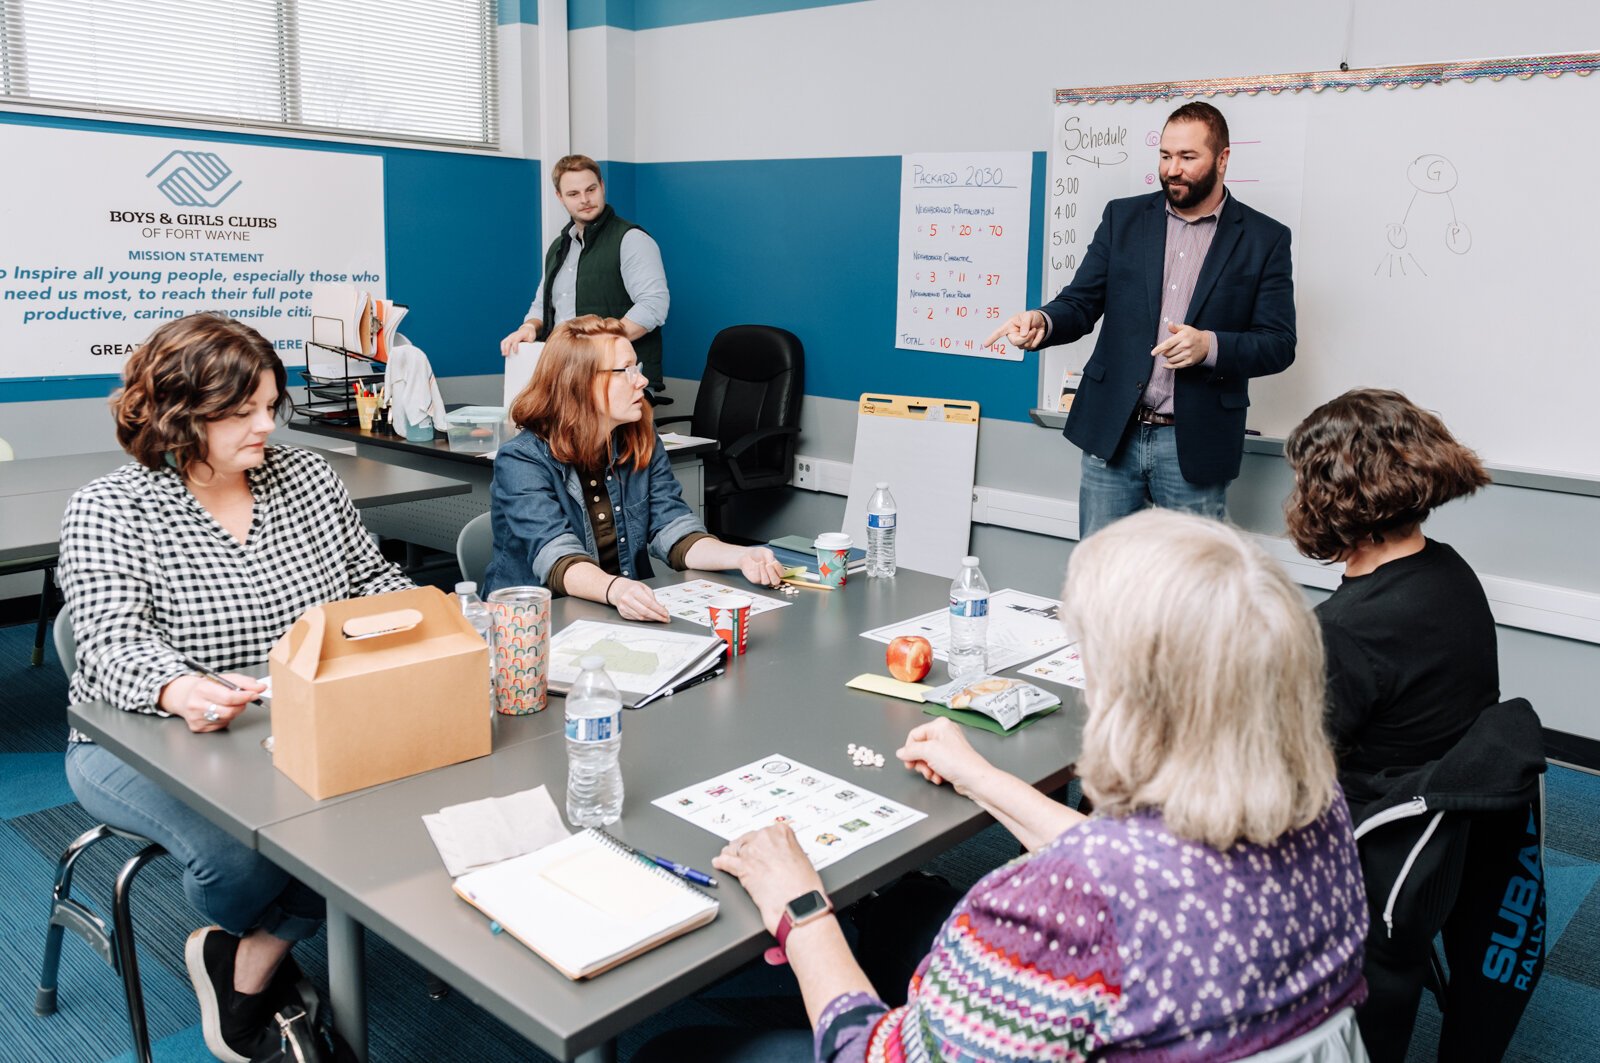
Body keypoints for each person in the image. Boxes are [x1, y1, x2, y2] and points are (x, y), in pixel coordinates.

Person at [643, 510, 1369, 1062]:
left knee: (669, 1049)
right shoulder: (1315, 804)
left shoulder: (1062, 907)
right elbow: (1139, 865)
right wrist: (983, 779)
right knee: (915, 907)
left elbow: (876, 1052)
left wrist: (800, 907)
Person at [56, 313, 413, 1062]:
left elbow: (371, 585)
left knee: (394, 816)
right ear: (180, 416)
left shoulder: (307, 480)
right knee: (245, 859)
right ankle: (264, 955)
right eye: (241, 411)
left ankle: (242, 959)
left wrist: (424, 621)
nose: (266, 426)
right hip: (144, 737)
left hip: (297, 720)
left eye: (270, 406)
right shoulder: (110, 506)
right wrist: (178, 687)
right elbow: (113, 643)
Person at [1286, 389, 1543, 1060]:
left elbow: (1283, 771)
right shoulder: (1450, 572)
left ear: (1327, 493)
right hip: (1443, 833)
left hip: (1367, 843)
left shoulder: (1346, 631)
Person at [986, 101, 1295, 537]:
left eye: (1188, 157)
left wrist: (1211, 346)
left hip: (1193, 442)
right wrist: (1044, 320)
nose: (1173, 169)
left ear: (1222, 159)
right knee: (1103, 578)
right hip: (1114, 432)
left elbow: (1279, 342)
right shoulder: (1123, 218)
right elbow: (1081, 301)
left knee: (1191, 586)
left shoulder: (1264, 238)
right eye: (1166, 156)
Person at [485, 315, 784, 619]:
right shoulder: (522, 459)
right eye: (625, 370)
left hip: (617, 612)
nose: (641, 380)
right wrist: (618, 589)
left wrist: (742, 555)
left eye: (637, 368)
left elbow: (672, 527)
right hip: (533, 625)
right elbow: (557, 557)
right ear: (580, 382)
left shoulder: (640, 438)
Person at [499, 153, 671, 392]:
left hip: (620, 378)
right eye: (573, 194)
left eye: (591, 189)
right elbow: (544, 305)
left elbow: (653, 306)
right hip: (567, 374)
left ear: (602, 186)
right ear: (560, 197)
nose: (585, 199)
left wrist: (601, 344)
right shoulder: (559, 247)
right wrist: (528, 328)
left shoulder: (630, 239)